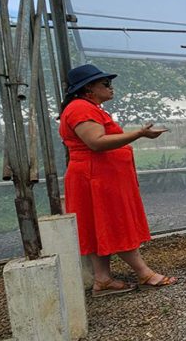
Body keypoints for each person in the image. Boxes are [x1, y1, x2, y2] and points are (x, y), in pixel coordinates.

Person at [58, 64, 177, 297]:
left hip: (97, 176)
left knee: (99, 226)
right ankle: (144, 273)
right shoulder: (81, 108)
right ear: (88, 88)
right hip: (95, 178)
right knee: (114, 223)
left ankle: (102, 279)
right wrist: (139, 134)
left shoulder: (87, 108)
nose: (111, 87)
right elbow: (96, 142)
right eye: (105, 83)